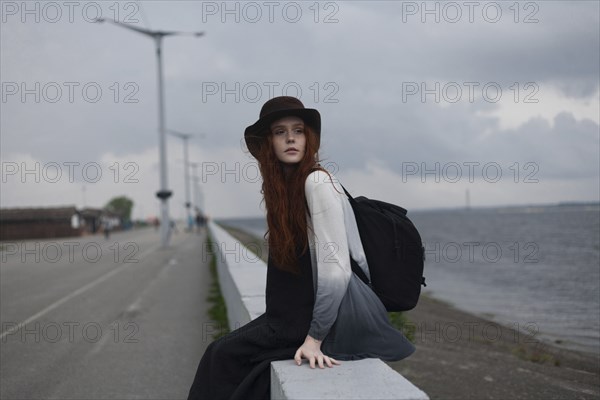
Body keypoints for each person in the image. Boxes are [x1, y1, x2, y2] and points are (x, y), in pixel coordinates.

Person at [187, 96, 414, 400]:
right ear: (269, 142)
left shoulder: (316, 182)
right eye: (280, 132)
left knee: (222, 358)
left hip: (316, 324)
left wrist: (315, 339)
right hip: (288, 319)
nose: (291, 138)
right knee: (226, 360)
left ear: (309, 138)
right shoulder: (286, 188)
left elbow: (336, 272)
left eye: (298, 130)